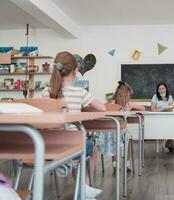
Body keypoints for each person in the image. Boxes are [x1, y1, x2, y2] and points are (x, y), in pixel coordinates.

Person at [41, 51, 106, 199]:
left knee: (78, 147)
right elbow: (102, 108)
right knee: (91, 149)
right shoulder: (79, 92)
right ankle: (86, 186)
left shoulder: (46, 92)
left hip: (47, 146)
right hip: (71, 146)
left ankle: (83, 186)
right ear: (75, 71)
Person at [95, 81, 145, 170]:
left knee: (115, 140)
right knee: (128, 139)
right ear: (126, 94)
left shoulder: (110, 102)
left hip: (107, 132)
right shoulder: (128, 104)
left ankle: (114, 164)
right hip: (121, 131)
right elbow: (143, 108)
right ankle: (127, 164)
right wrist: (132, 105)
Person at [150, 82, 174, 153]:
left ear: (166, 89)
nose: (161, 90)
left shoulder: (170, 97)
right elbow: (152, 109)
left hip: (168, 117)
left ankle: (168, 143)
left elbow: (170, 110)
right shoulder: (155, 96)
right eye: (159, 89)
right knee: (169, 126)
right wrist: (162, 109)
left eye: (163, 88)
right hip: (157, 118)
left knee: (172, 125)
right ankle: (172, 144)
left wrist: (171, 107)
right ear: (158, 91)